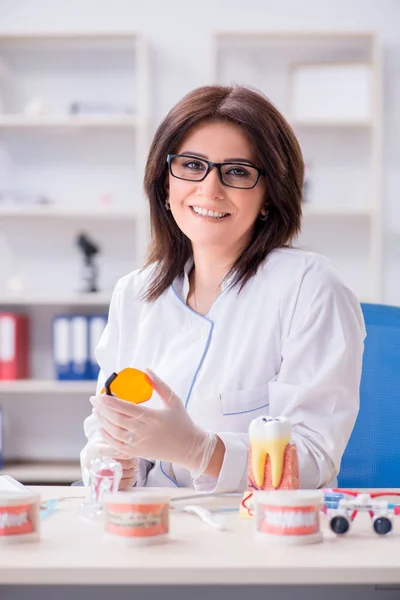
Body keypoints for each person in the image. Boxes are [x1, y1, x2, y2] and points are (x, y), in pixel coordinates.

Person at [80, 85, 366, 492]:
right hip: (151, 528)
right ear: (166, 185)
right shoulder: (135, 293)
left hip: (257, 533)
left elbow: (315, 457)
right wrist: (117, 464)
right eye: (192, 165)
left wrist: (199, 450)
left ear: (269, 196)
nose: (209, 190)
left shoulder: (310, 287)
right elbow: (105, 430)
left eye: (237, 172)